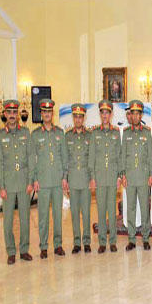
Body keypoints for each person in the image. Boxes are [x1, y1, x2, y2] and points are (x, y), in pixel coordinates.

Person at [31, 98, 68, 259]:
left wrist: (65, 177)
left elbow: (64, 157)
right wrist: (34, 179)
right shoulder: (35, 135)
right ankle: (44, 246)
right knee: (43, 217)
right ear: (41, 114)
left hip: (58, 181)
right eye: (44, 112)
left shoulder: (59, 133)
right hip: (43, 181)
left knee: (58, 216)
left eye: (49, 112)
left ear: (52, 114)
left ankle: (58, 245)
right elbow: (32, 159)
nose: (47, 114)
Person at [0, 100, 33, 264]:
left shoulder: (25, 133)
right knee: (8, 221)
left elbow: (30, 158)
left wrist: (30, 180)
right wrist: (1, 186)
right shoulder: (1, 135)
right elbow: (0, 162)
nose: (12, 115)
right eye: (9, 112)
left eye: (14, 112)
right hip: (9, 183)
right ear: (5, 114)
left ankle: (24, 250)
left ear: (18, 114)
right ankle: (11, 251)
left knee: (25, 218)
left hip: (24, 182)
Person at [89, 100, 122, 253]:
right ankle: (102, 241)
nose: (104, 115)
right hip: (100, 177)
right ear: (100, 114)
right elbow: (92, 157)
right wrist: (92, 177)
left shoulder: (116, 132)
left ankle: (113, 241)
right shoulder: (95, 133)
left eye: (107, 113)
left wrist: (119, 176)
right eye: (102, 113)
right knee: (101, 211)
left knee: (112, 211)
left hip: (112, 177)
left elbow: (119, 156)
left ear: (111, 115)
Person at [122, 100, 152, 251]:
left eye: (137, 114)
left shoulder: (146, 133)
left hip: (143, 176)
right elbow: (123, 156)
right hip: (130, 177)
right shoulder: (126, 133)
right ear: (130, 115)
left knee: (145, 208)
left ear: (141, 115)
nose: (135, 117)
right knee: (131, 208)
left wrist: (150, 174)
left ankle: (146, 238)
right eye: (132, 114)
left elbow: (150, 155)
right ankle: (131, 239)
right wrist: (123, 174)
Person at [65, 103, 92, 254]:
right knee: (74, 213)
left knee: (86, 212)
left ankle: (86, 241)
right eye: (75, 117)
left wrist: (92, 178)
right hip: (73, 179)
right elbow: (65, 160)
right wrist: (65, 179)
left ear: (84, 118)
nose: (78, 119)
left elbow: (92, 159)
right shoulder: (67, 136)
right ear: (73, 118)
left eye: (80, 117)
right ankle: (77, 242)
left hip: (86, 179)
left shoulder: (89, 136)